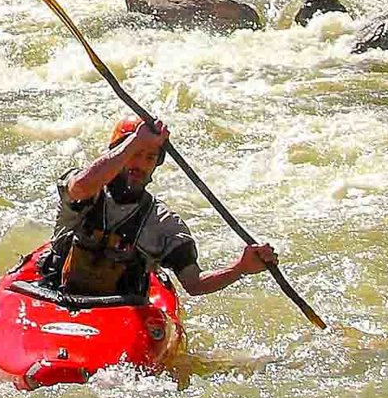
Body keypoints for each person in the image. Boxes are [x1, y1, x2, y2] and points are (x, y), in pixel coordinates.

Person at [40, 117, 277, 302]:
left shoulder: (165, 224)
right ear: (117, 154)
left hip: (117, 312)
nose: (140, 164)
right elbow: (80, 188)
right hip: (54, 296)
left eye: (149, 157)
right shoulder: (86, 187)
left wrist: (240, 268)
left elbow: (194, 284)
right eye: (134, 154)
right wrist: (136, 140)